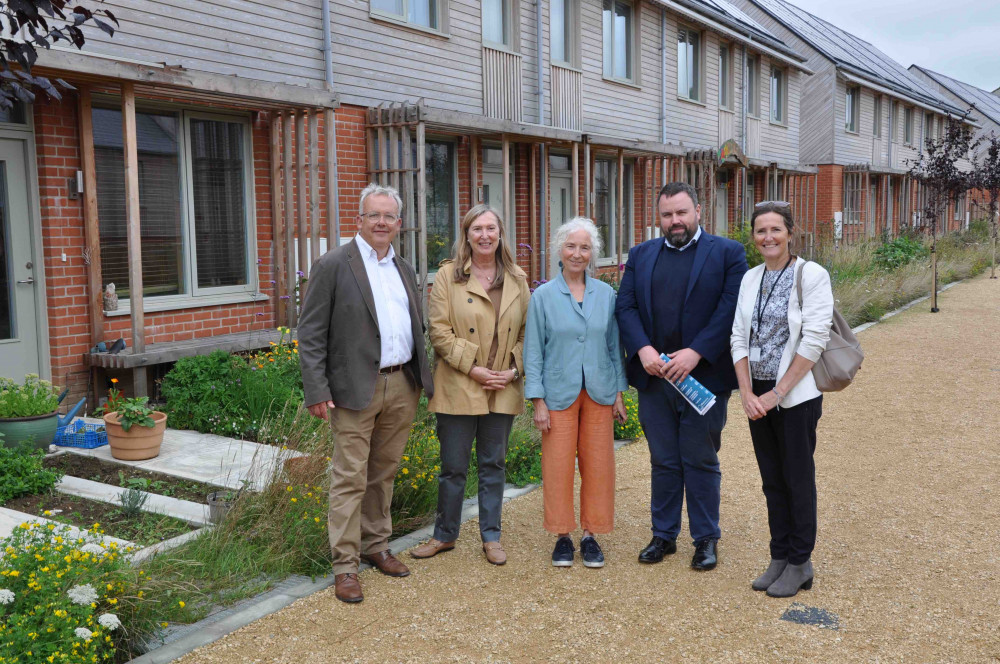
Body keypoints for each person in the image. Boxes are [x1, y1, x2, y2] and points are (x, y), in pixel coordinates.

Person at [298, 183, 433, 604]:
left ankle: (376, 546)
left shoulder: (404, 268)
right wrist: (317, 388)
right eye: (374, 215)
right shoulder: (334, 264)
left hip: (401, 385)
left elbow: (415, 325)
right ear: (359, 218)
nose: (381, 222)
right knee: (349, 478)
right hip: (354, 389)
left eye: (388, 216)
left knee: (383, 473)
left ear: (399, 223)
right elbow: (311, 332)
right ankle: (344, 566)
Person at [615, 181, 747, 571]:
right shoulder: (641, 254)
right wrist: (643, 350)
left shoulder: (727, 253)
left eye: (681, 213)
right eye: (667, 214)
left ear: (698, 211)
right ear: (659, 218)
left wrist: (695, 352)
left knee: (701, 459)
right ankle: (663, 535)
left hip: (704, 378)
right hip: (656, 378)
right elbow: (626, 306)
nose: (675, 221)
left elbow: (730, 308)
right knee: (664, 460)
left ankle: (706, 539)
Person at [410, 204, 530, 566]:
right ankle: (444, 534)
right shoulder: (448, 277)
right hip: (460, 384)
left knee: (494, 464)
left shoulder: (518, 278)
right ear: (467, 234)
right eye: (477, 228)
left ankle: (491, 537)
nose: (484, 235)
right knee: (453, 466)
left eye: (491, 228)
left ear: (500, 233)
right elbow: (439, 331)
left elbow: (529, 332)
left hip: (502, 384)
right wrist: (475, 369)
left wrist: (513, 369)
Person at [730, 201, 833, 598]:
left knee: (797, 478)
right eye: (760, 231)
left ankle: (800, 561)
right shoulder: (751, 278)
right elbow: (738, 336)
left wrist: (777, 393)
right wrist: (747, 392)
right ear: (753, 237)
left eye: (775, 229)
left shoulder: (811, 275)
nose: (768, 237)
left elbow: (814, 340)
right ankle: (779, 555)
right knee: (772, 480)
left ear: (791, 233)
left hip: (794, 397)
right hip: (757, 395)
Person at [523, 218, 628, 568]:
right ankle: (563, 536)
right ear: (559, 249)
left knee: (599, 466)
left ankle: (590, 535)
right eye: (571, 246)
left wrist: (618, 392)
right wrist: (537, 400)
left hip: (599, 391)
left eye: (585, 248)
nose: (577, 253)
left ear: (593, 254)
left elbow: (614, 346)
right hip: (556, 395)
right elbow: (534, 350)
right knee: (557, 467)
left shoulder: (607, 295)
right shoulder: (543, 296)